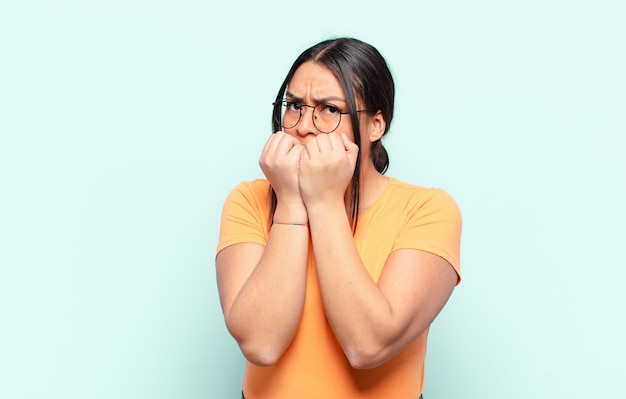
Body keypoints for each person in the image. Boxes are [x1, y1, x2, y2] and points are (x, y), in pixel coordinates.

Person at [216, 37, 461, 399]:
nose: (302, 126)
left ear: (376, 125)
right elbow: (260, 344)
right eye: (294, 105)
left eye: (329, 109)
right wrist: (291, 203)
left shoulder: (427, 210)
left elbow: (368, 345)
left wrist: (325, 201)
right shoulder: (248, 200)